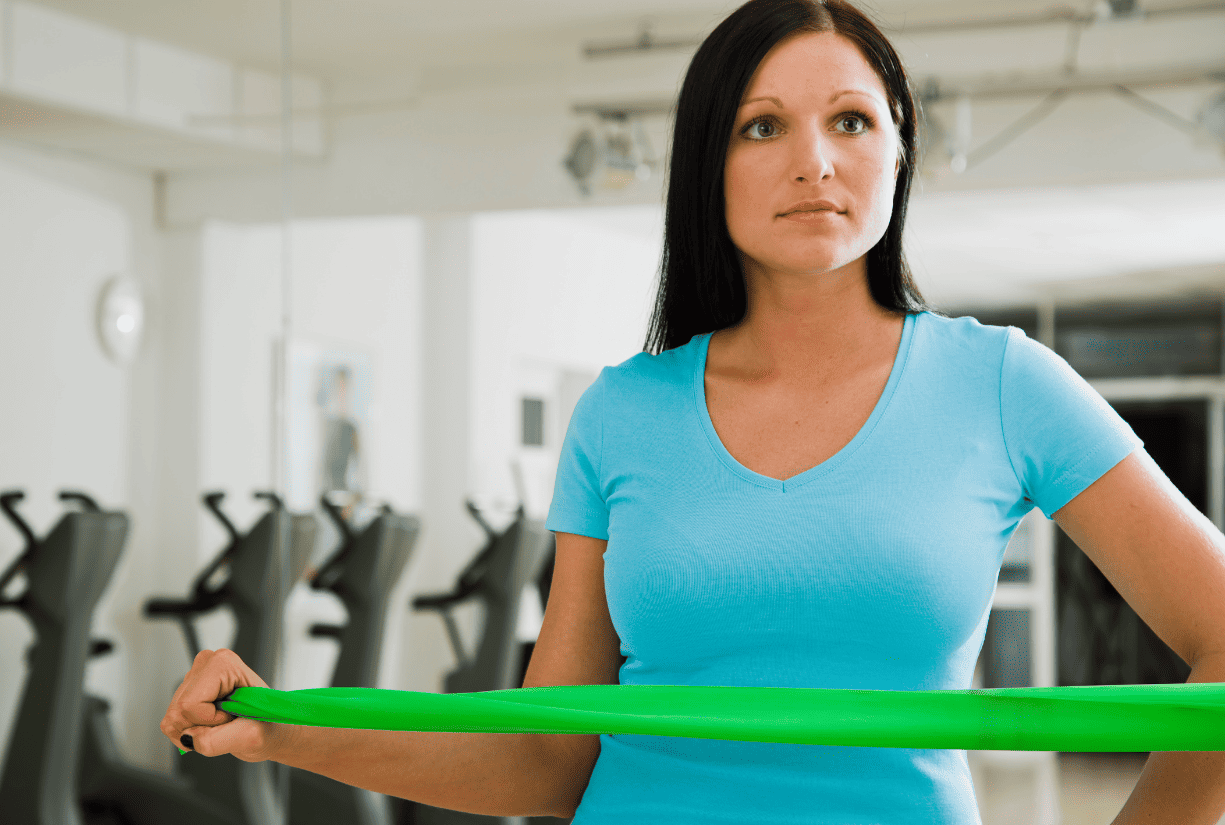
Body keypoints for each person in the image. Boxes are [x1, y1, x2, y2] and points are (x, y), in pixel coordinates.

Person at [161, 0, 1225, 822]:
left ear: (898, 150)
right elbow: (545, 754)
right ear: (705, 166)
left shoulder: (1002, 384)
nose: (813, 159)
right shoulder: (622, 414)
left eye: (851, 120)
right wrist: (280, 730)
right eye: (763, 126)